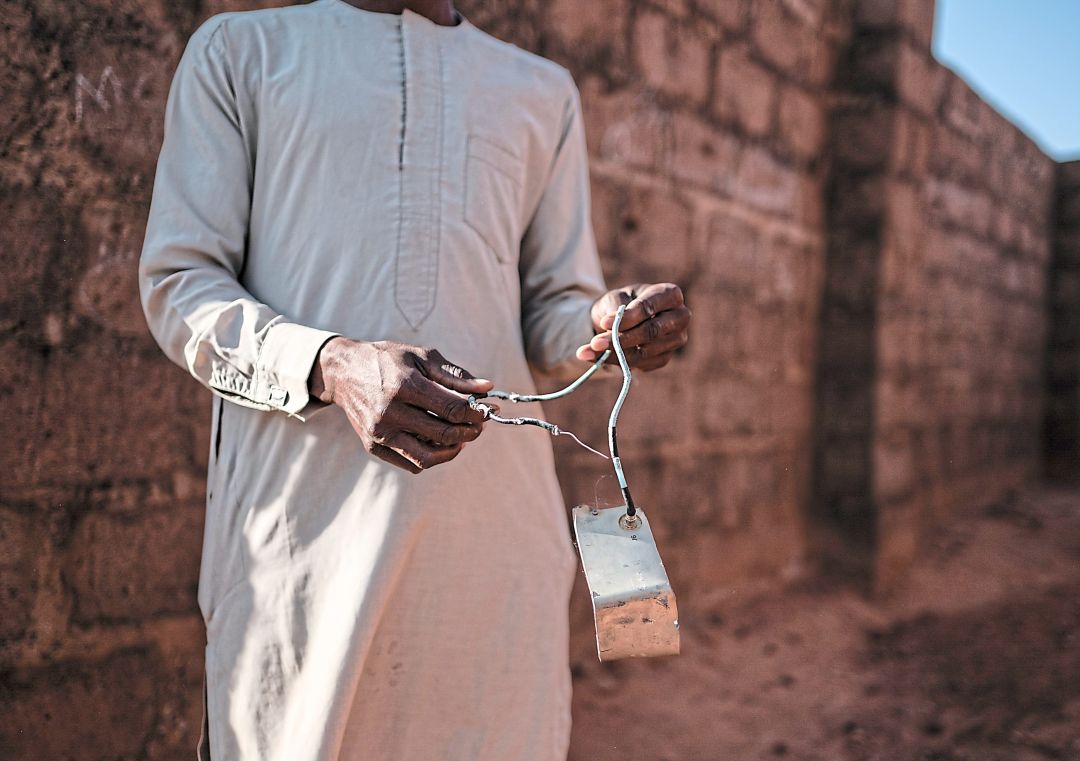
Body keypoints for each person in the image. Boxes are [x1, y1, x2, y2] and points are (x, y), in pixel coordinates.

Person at [137, 0, 691, 758]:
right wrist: (332, 364)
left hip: (493, 545)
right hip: (306, 537)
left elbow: (551, 308)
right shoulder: (242, 53)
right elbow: (180, 284)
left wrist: (605, 325)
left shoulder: (541, 90)